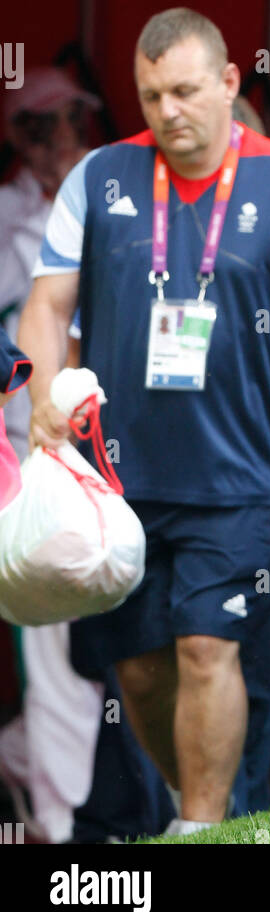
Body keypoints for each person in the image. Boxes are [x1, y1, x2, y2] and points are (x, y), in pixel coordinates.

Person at [18, 8, 270, 835]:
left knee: (208, 648)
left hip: (246, 481)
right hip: (119, 483)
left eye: (182, 90)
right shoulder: (99, 179)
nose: (167, 110)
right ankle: (202, 809)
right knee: (137, 670)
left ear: (227, 84)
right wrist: (40, 395)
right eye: (149, 96)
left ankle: (203, 828)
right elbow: (43, 306)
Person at [0, 69, 104, 844]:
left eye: (76, 120)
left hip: (103, 448)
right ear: (23, 136)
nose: (66, 137)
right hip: (21, 453)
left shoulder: (108, 203)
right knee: (50, 639)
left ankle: (56, 791)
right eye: (50, 124)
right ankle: (60, 821)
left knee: (88, 639)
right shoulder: (4, 215)